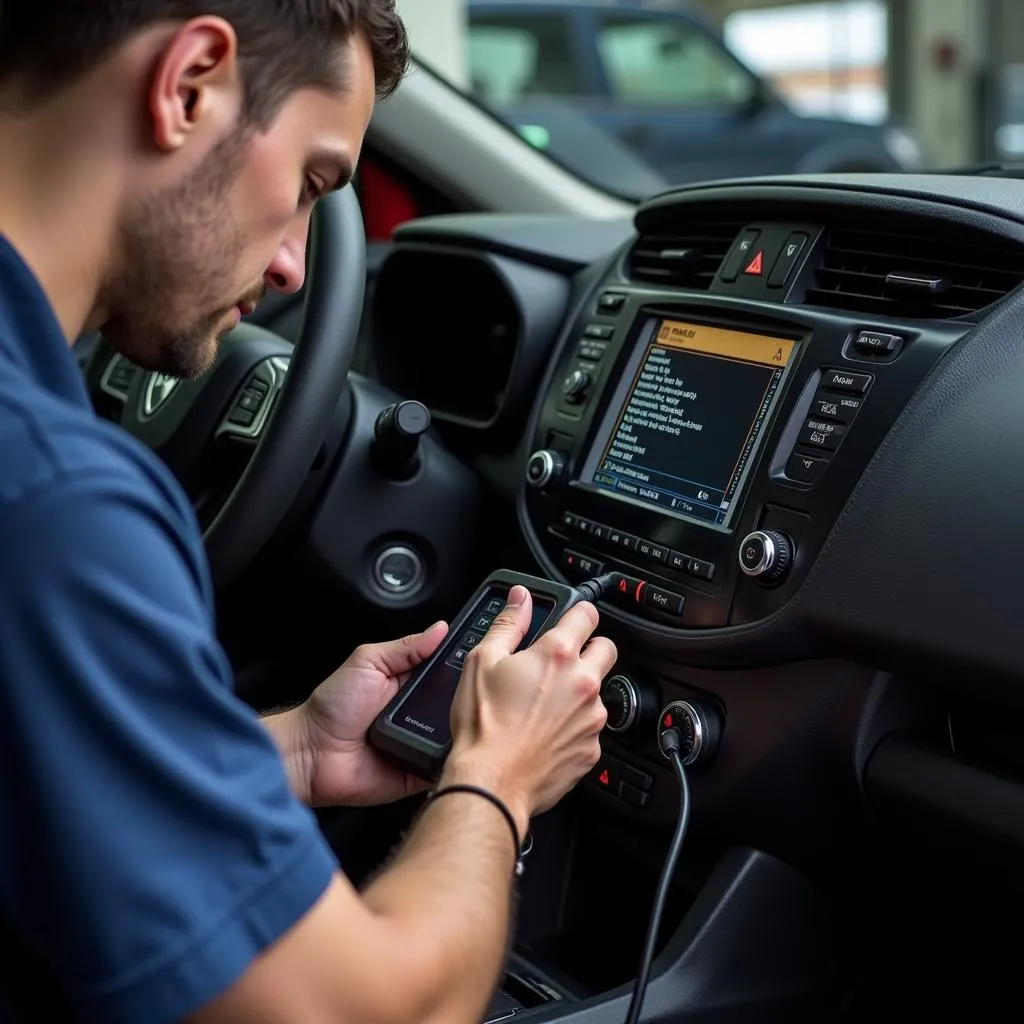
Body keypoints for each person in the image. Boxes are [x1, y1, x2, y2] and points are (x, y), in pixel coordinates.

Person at [0, 3, 618, 1022]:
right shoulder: (59, 506)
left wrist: (285, 753)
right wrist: (497, 777)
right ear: (189, 82)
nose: (293, 261)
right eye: (312, 184)